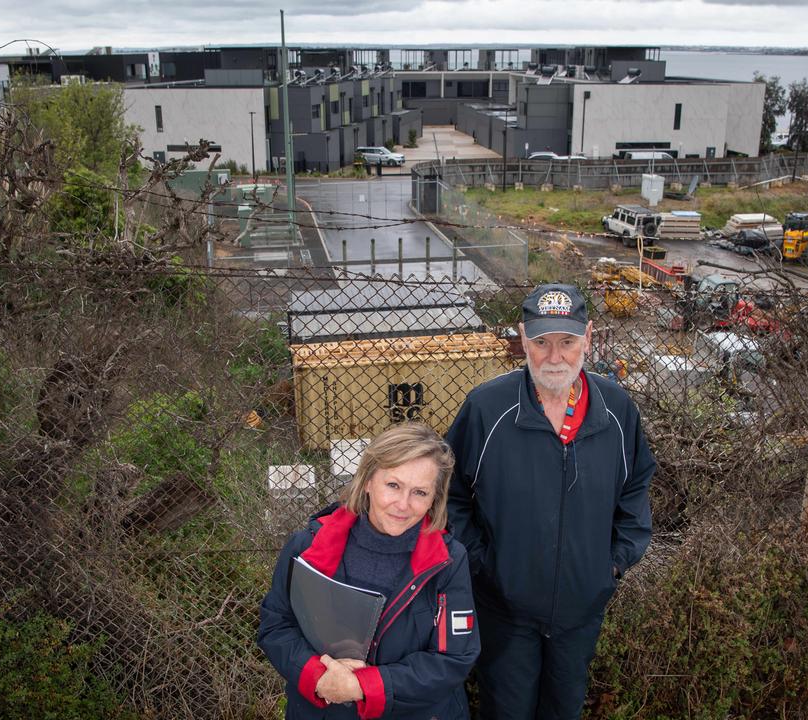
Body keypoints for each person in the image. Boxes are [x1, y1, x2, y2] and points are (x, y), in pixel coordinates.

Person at [445, 282, 656, 720]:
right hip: (505, 611)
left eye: (567, 341)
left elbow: (636, 486)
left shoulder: (617, 409)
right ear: (522, 339)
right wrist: (487, 565)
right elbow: (451, 496)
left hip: (581, 611)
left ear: (589, 337)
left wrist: (612, 563)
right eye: (541, 342)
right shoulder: (487, 409)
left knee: (563, 709)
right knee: (507, 710)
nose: (554, 356)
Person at [258, 422, 480, 719]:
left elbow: (454, 657)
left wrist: (365, 686)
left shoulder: (447, 562)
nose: (403, 504)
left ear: (434, 499)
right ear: (367, 481)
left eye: (420, 493)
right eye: (393, 485)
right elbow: (276, 626)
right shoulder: (309, 546)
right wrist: (317, 675)